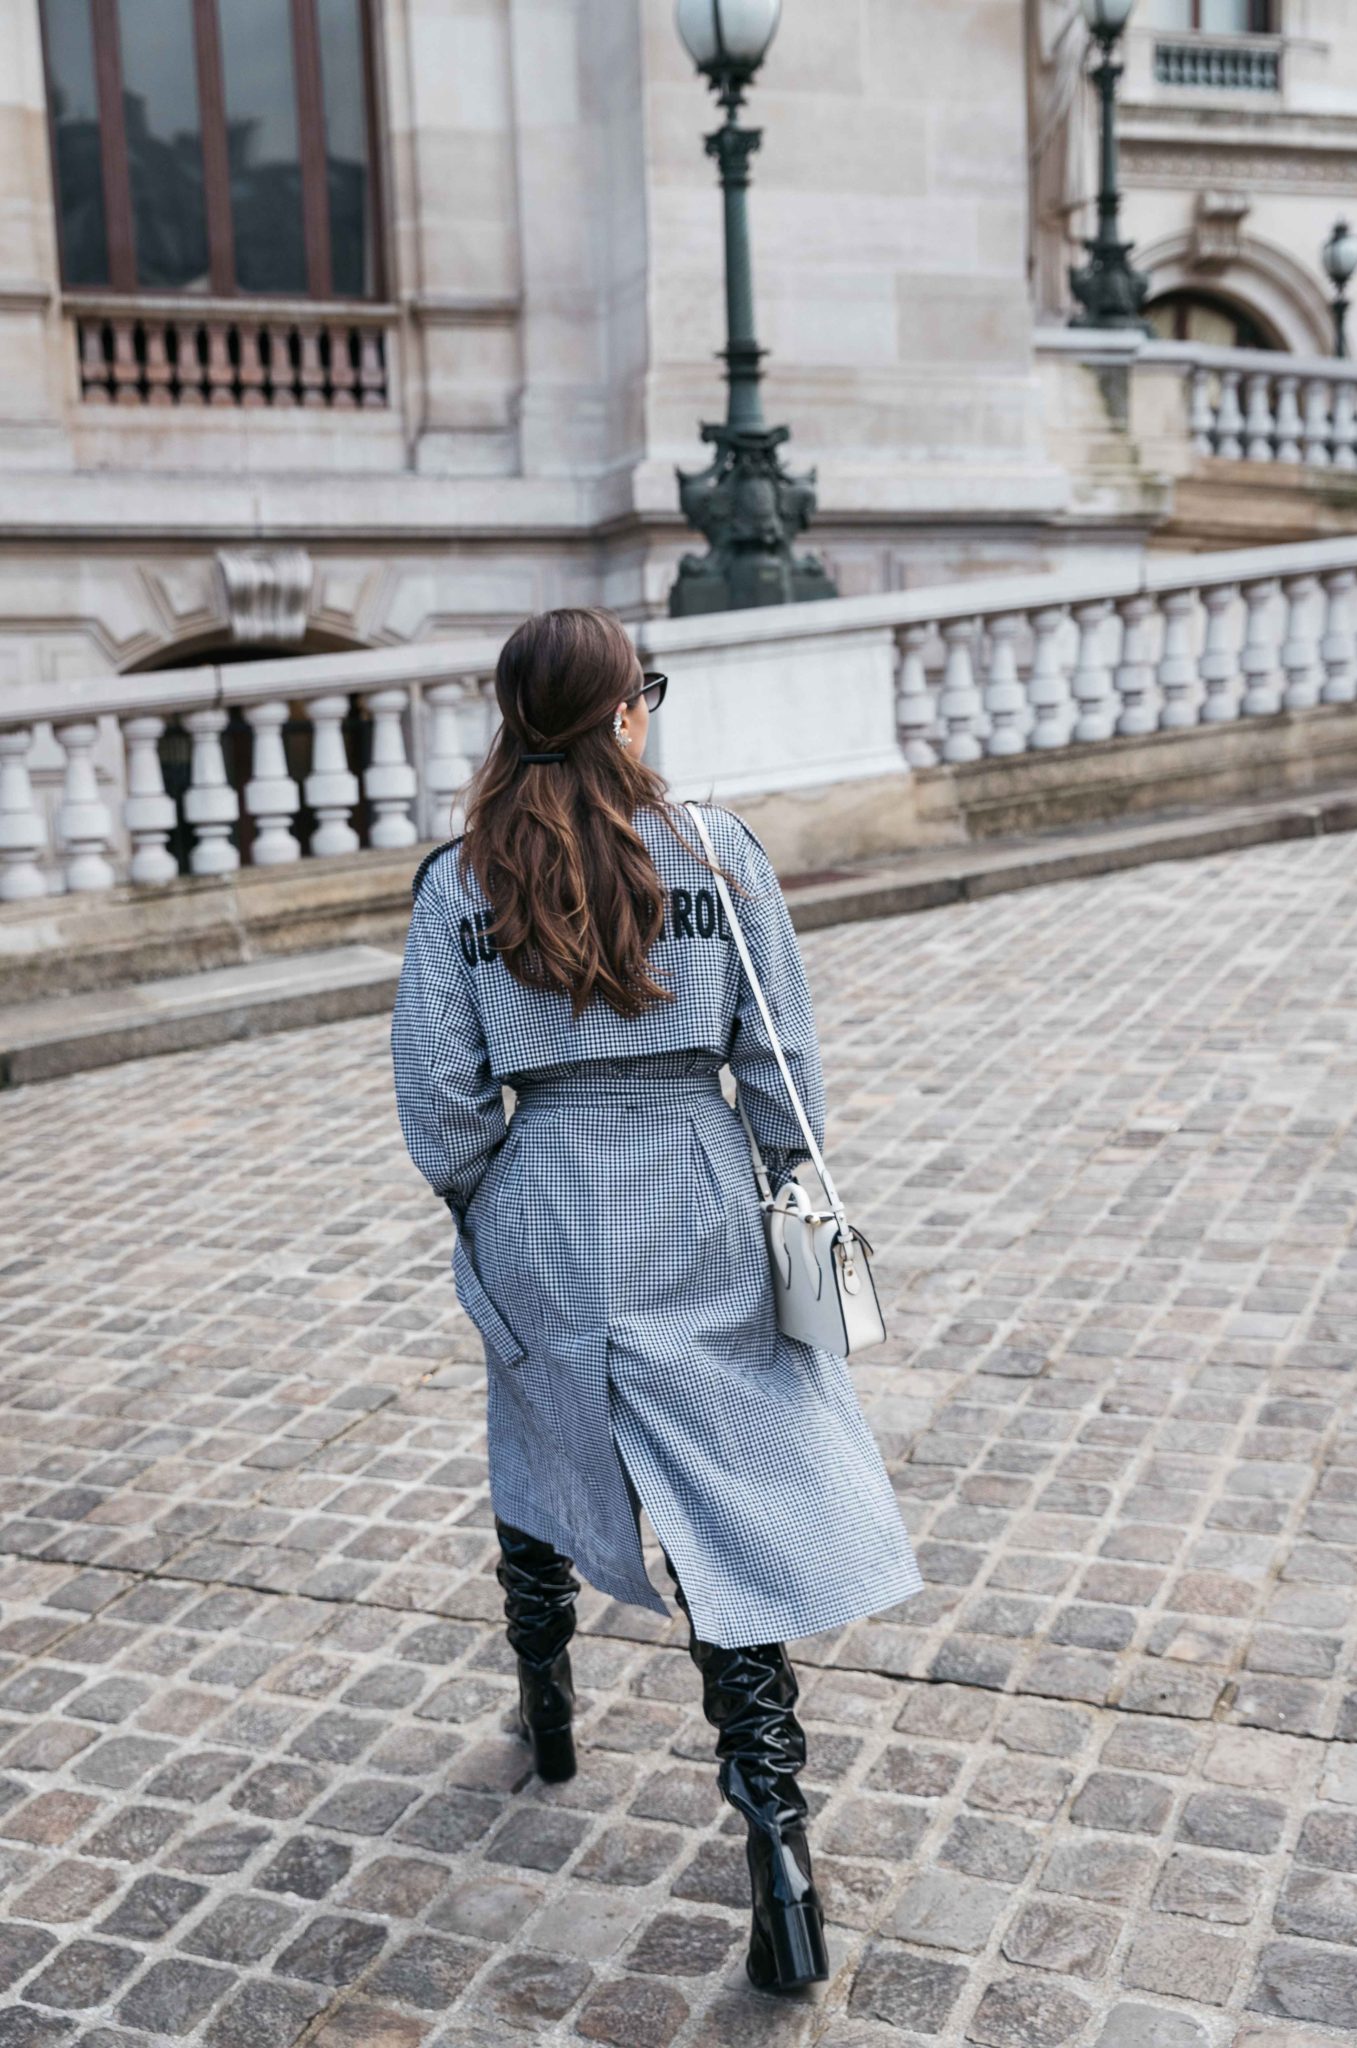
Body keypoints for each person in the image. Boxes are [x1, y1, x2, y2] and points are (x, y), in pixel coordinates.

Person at [392, 606, 921, 1995]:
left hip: (547, 1191)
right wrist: (779, 1183)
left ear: (515, 720)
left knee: (535, 1438)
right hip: (694, 1184)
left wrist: (494, 1203)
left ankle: (546, 1713)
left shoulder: (459, 882)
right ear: (624, 714)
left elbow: (441, 1102)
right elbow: (779, 1054)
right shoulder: (715, 851)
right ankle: (779, 1855)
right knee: (724, 1505)